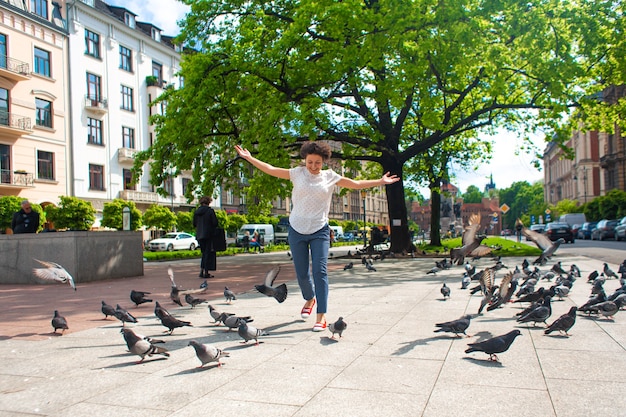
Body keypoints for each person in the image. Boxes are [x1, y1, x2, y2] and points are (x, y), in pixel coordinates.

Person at [235, 142, 400, 331]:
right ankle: (309, 299)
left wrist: (380, 181)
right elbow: (271, 169)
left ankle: (321, 316)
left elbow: (355, 184)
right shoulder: (297, 173)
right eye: (310, 162)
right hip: (296, 229)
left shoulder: (330, 177)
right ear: (305, 160)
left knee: (320, 272)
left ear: (324, 162)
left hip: (320, 230)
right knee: (302, 273)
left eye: (318, 163)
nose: (314, 166)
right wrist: (249, 158)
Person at [193, 196, 218, 278]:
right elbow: (215, 223)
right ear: (208, 202)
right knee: (208, 253)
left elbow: (194, 223)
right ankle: (206, 272)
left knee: (204, 253)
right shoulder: (210, 211)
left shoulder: (196, 212)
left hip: (199, 235)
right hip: (208, 235)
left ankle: (201, 270)